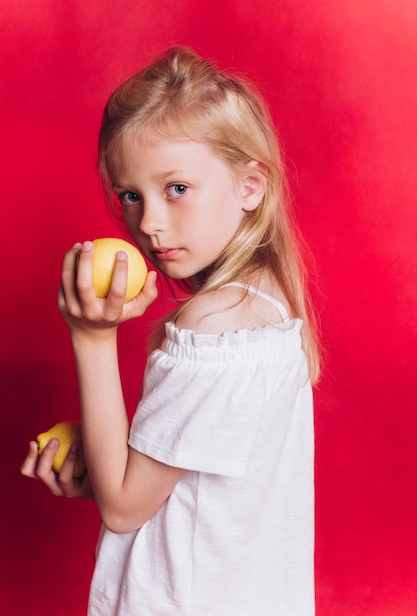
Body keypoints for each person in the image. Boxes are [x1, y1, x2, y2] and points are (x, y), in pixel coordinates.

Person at [21, 46, 320, 615]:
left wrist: (90, 337)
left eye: (176, 188)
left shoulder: (211, 328)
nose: (148, 224)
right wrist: (101, 472)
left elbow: (125, 508)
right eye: (130, 196)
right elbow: (185, 483)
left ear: (249, 187)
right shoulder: (266, 303)